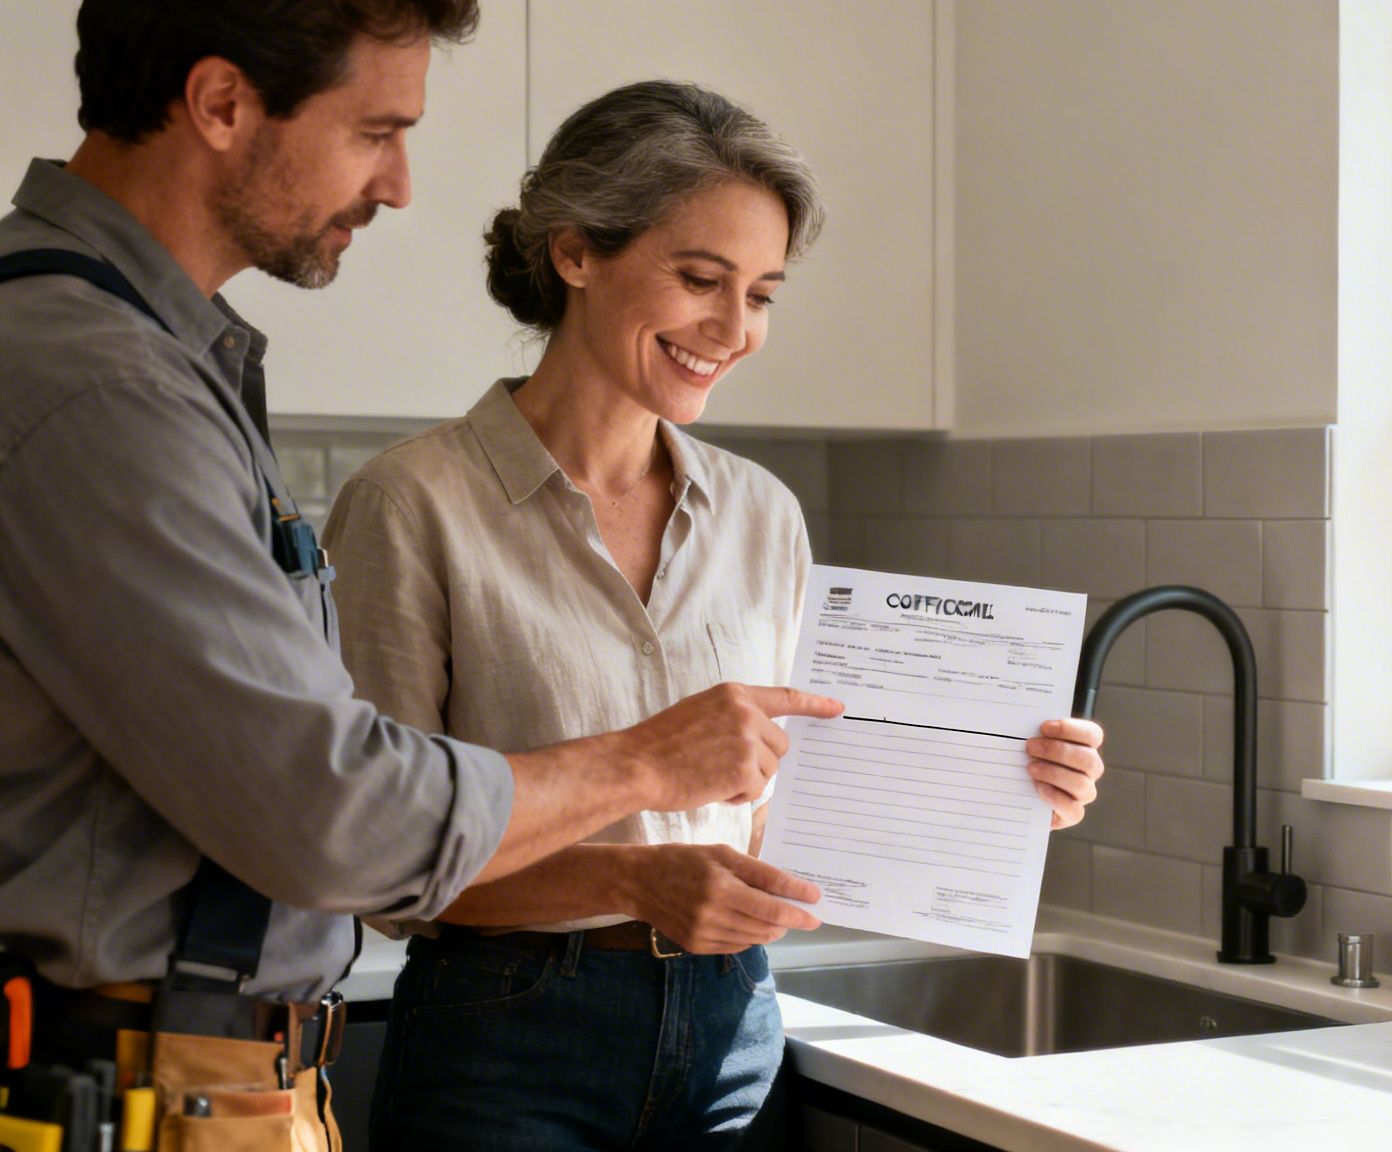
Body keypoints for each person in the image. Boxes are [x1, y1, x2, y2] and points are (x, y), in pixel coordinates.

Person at [0, 5, 840, 1146]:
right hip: (157, 1077)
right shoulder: (105, 383)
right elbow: (343, 819)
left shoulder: (169, 357)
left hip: (220, 1076)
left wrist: (993, 778)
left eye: (764, 292)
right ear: (220, 103)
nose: (400, 185)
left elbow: (800, 790)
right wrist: (642, 774)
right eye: (374, 131)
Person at [320, 79, 1108, 1150]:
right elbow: (382, 865)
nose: (732, 329)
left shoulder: (761, 515)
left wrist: (995, 796)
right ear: (575, 253)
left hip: (734, 1029)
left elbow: (785, 812)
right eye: (700, 279)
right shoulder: (411, 504)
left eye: (762, 293)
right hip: (506, 1038)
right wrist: (629, 882)